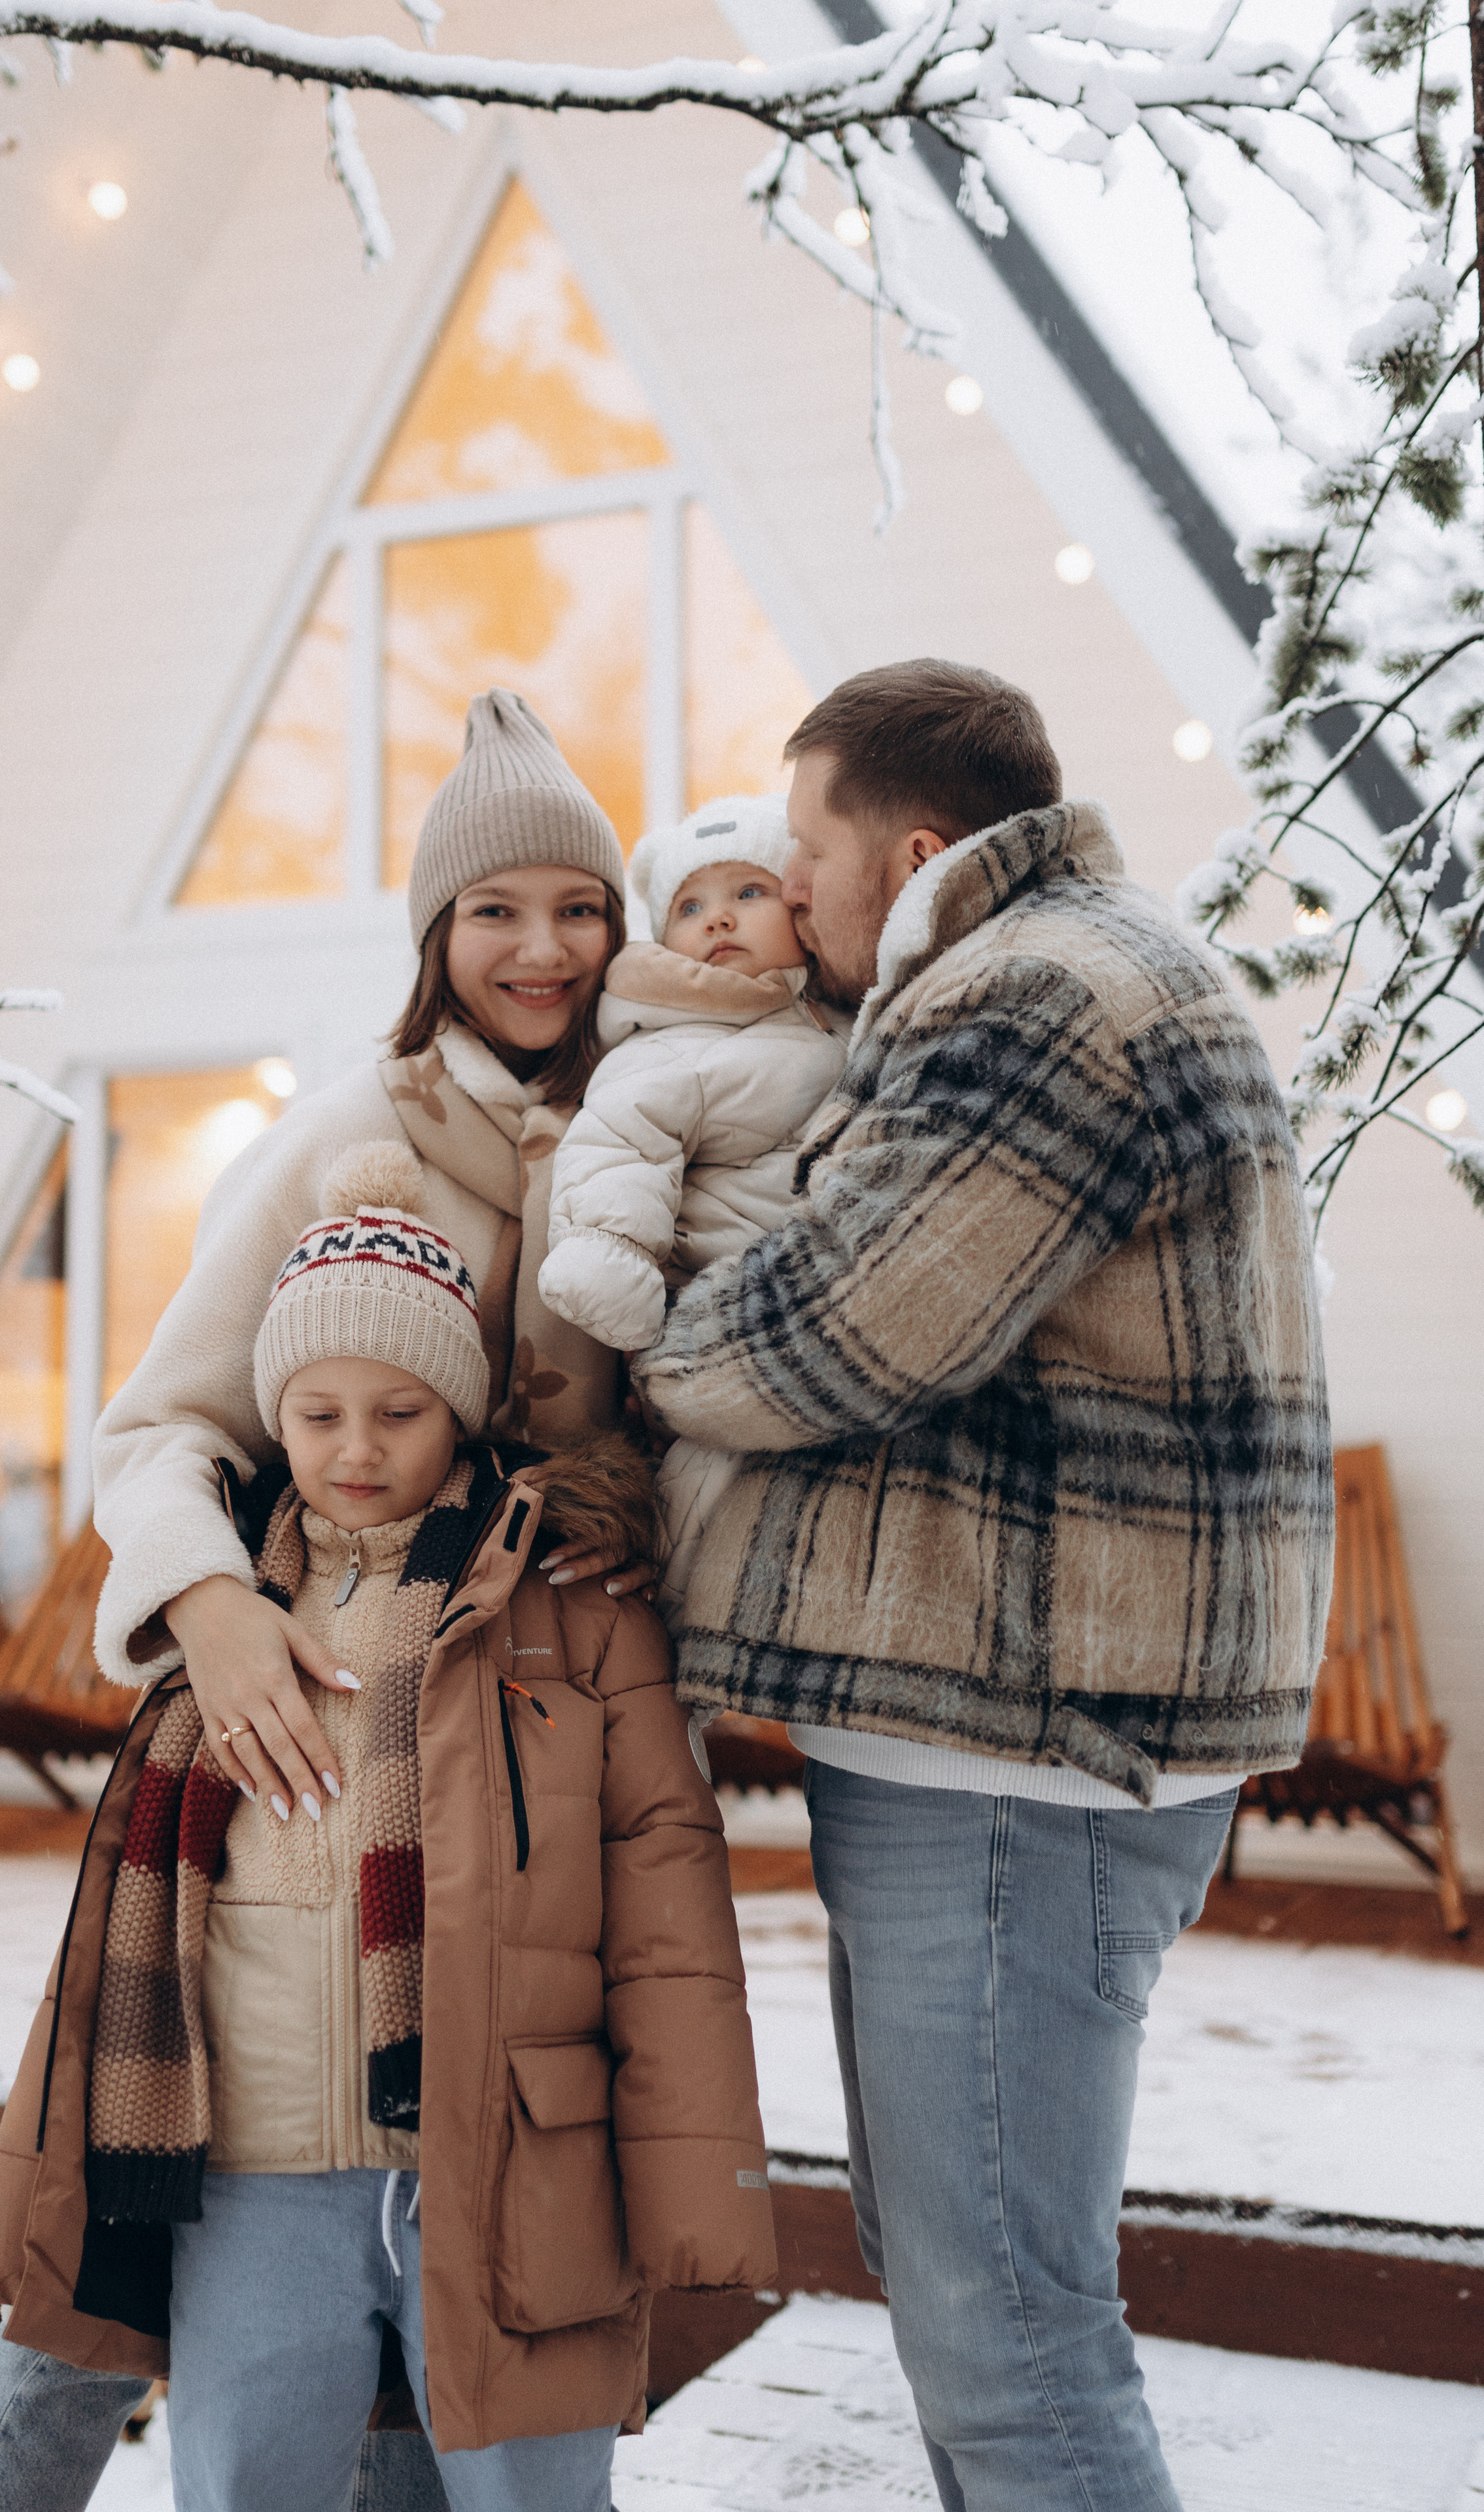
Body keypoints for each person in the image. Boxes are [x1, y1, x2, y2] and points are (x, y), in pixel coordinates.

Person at [0, 689, 659, 2512]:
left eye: (579, 906)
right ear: (435, 938)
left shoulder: (654, 1123)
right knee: (105, 2274)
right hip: (304, 1707)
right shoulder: (361, 1125)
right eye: (495, 911)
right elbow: (160, 1422)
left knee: (451, 2293)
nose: (543, 948)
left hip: (513, 1751)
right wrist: (214, 1611)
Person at [632, 659, 1335, 2512]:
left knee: (1005, 2336)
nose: (785, 892)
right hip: (1013, 1747)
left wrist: (636, 1342)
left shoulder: (1042, 996)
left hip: (1022, 1763)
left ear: (915, 847)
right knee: (973, 2304)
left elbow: (822, 1338)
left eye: (804, 851)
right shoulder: (1066, 966)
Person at [0, 1146, 776, 2512]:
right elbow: (121, 1938)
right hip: (255, 2172)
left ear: (458, 1414)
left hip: (510, 2165)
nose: (355, 1448)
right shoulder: (213, 1623)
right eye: (317, 1412)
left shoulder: (568, 1612)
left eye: (399, 1409)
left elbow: (668, 1917)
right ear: (276, 1418)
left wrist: (696, 2181)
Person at [538, 791, 850, 1626]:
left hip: (830, 1297)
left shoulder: (841, 1018)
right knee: (707, 1490)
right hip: (719, 1302)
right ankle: (683, 1644)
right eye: (690, 905)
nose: (718, 921)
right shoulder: (668, 1040)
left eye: (746, 893)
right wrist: (610, 1253)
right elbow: (619, 1142)